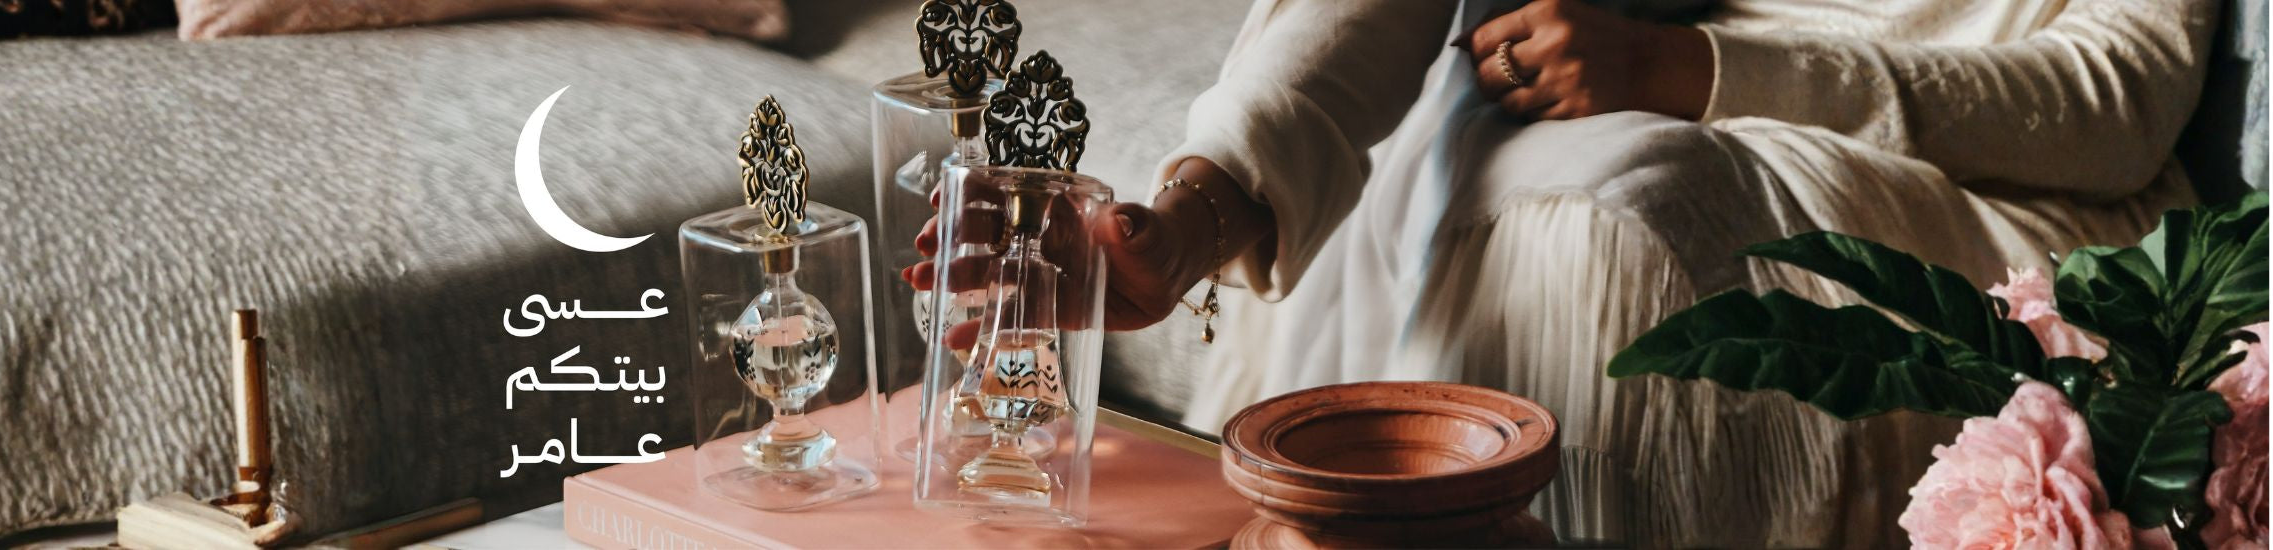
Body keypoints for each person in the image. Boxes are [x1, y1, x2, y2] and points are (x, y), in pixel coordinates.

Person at [910, 0, 2219, 545]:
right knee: (1487, 170)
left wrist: (1693, 71)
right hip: (1671, 100)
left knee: (1623, 214)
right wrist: (1192, 215)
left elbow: (2121, 95)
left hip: (2004, 197)